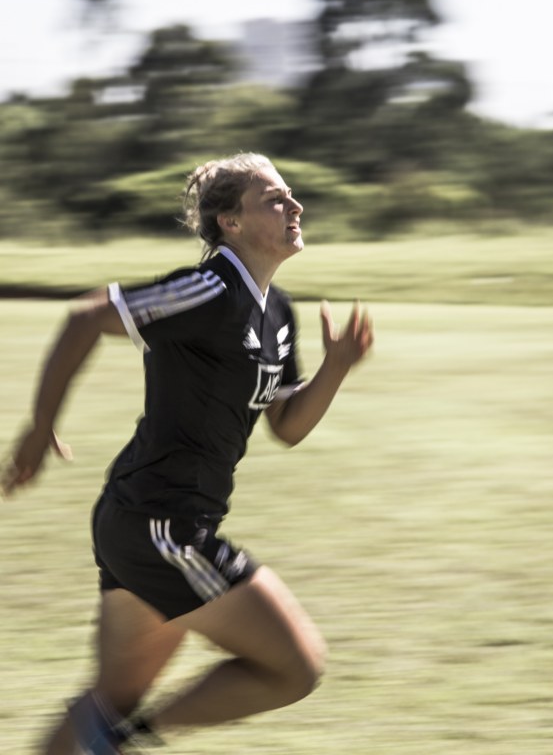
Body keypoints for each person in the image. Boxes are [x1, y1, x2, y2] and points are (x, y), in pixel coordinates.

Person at [2, 152, 374, 754]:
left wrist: (334, 368)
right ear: (229, 222)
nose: (295, 206)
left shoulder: (277, 312)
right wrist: (39, 427)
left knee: (109, 700)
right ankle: (128, 738)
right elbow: (87, 317)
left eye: (291, 195)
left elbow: (286, 424)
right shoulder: (208, 288)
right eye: (274, 199)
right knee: (295, 665)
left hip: (145, 520)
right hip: (161, 524)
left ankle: (114, 734)